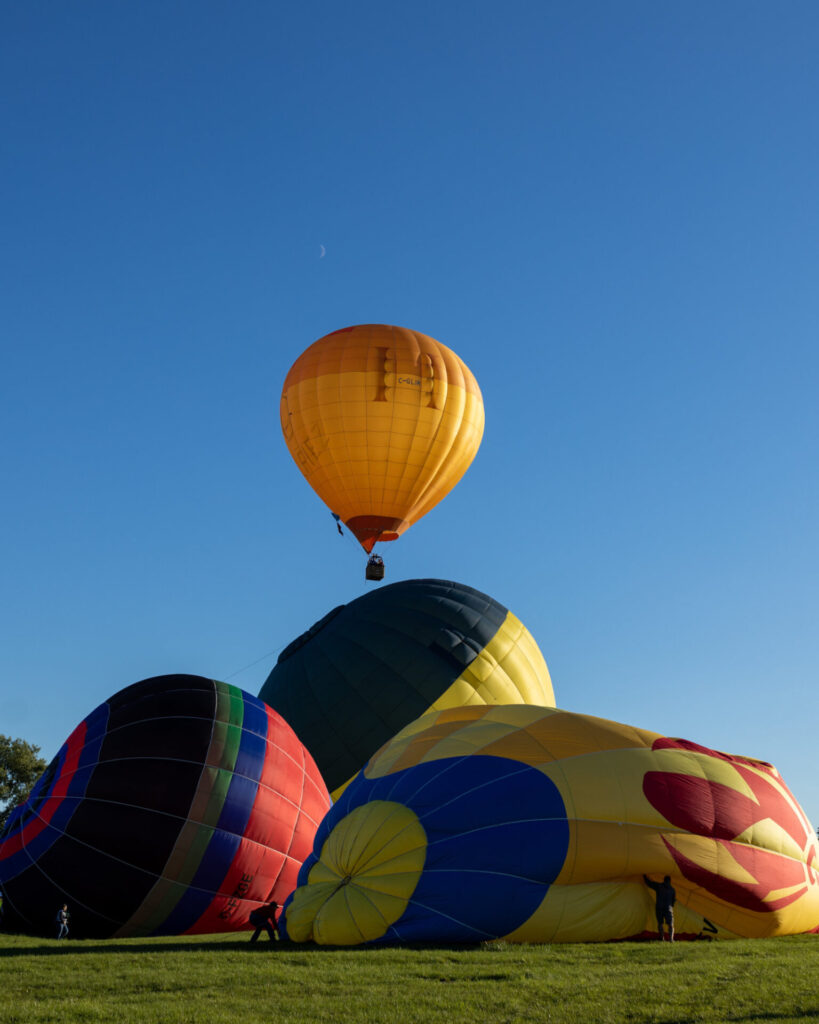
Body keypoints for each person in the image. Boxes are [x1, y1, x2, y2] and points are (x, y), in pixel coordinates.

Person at [644, 874, 675, 941]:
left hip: (660, 907)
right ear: (670, 881)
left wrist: (644, 876)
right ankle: (670, 939)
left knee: (660, 923)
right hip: (667, 908)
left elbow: (649, 883)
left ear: (664, 880)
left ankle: (663, 938)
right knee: (670, 924)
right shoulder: (672, 890)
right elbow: (673, 901)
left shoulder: (659, 886)